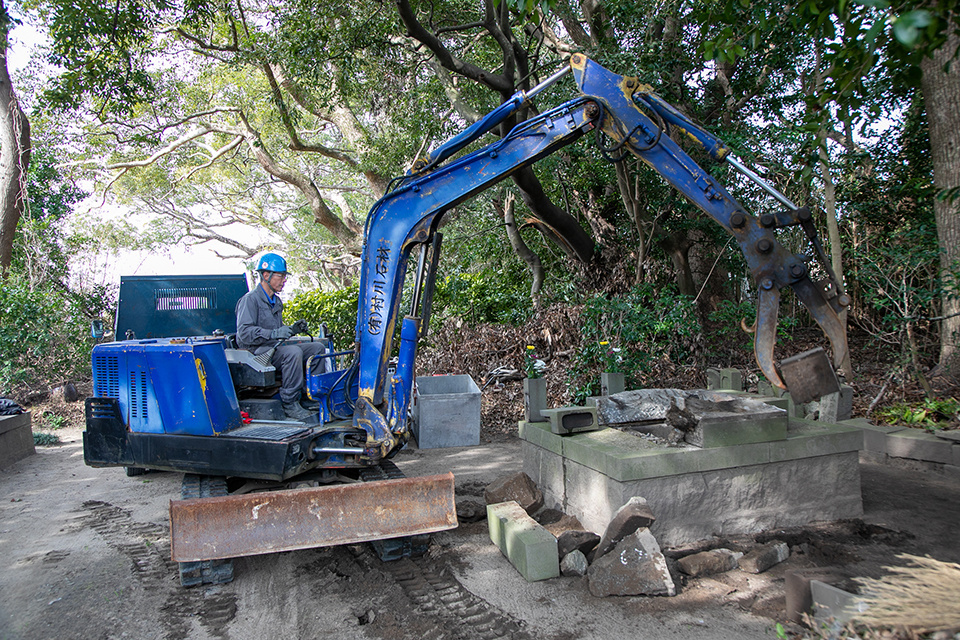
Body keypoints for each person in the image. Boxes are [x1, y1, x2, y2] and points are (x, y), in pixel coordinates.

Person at [235, 253, 327, 422]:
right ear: (265, 275)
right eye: (281, 276)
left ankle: (310, 396)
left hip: (273, 349)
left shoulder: (276, 302)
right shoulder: (250, 300)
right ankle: (290, 402)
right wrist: (274, 334)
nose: (284, 280)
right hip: (255, 353)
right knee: (292, 352)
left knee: (317, 349)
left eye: (285, 276)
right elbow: (244, 334)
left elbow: (277, 334)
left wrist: (292, 329)